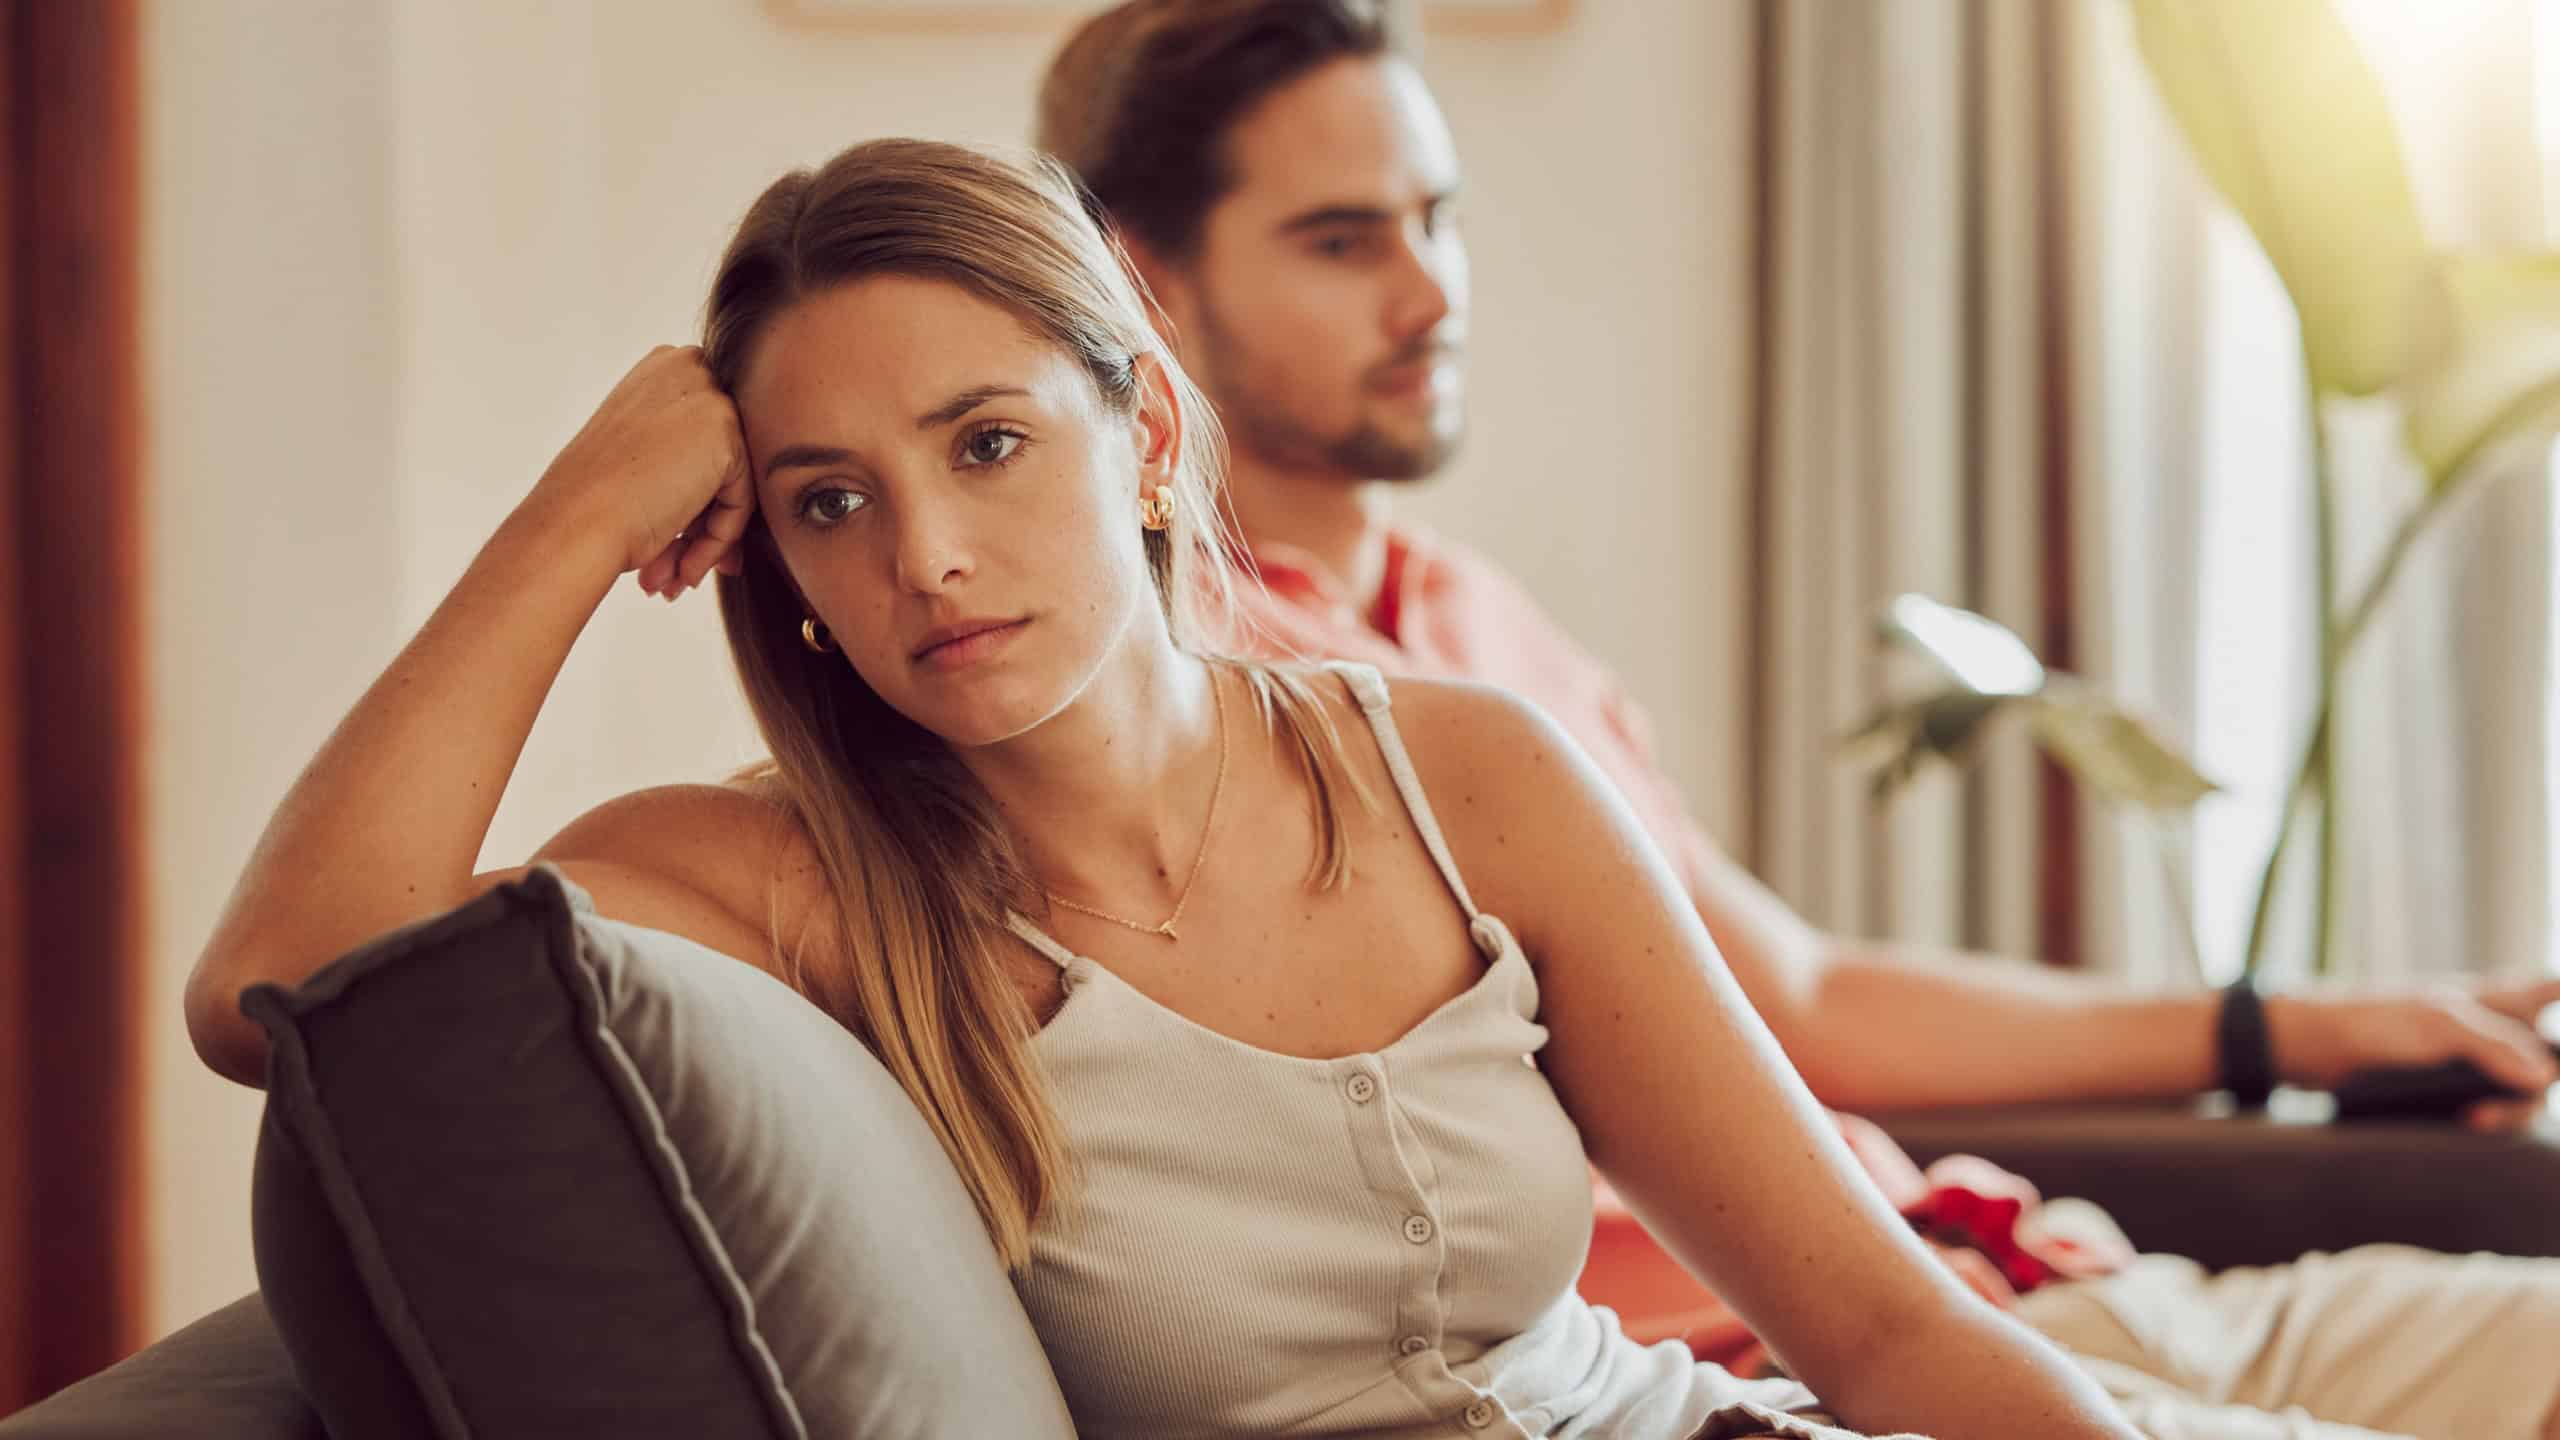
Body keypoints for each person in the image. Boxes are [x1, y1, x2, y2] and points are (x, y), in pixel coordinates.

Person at [183, 138, 2149, 1438]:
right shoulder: (773, 886)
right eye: (826, 501)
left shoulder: (1460, 774)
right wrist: (567, 521)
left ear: (1143, 435)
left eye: (985, 443)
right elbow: (277, 989)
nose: (926, 557)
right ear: (755, 552)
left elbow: (1881, 1331)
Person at [1034, 4, 2560, 1438]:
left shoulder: (1471, 619)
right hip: (1800, 1360)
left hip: (2027, 1279)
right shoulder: (1184, 716)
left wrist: (2287, 1025)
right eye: (1342, 241)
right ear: (1140, 282)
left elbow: (1798, 990)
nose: (1432, 293)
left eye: (1439, 219)